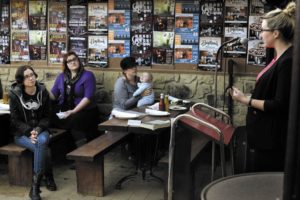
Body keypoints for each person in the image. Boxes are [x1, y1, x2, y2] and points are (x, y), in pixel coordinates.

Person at [230, 2, 295, 172]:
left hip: (272, 140)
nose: (260, 35)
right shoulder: (278, 57)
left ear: (275, 33)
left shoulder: (288, 61)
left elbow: (280, 104)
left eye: (263, 30)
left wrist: (246, 100)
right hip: (264, 136)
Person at [9, 65, 57, 200]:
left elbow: (48, 116)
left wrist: (38, 129)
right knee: (43, 146)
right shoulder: (14, 95)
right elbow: (14, 120)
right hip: (22, 134)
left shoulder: (43, 91)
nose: (31, 78)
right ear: (20, 80)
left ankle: (35, 187)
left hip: (42, 130)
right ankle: (48, 177)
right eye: (27, 76)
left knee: (41, 141)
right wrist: (30, 131)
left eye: (32, 75)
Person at [50, 52, 100, 147]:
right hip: (66, 108)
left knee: (74, 120)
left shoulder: (88, 75)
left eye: (74, 59)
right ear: (66, 64)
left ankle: (82, 150)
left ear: (78, 60)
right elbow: (53, 96)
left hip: (85, 110)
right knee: (49, 117)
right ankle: (60, 153)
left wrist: (72, 111)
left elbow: (88, 98)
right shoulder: (61, 77)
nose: (72, 62)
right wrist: (41, 89)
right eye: (69, 61)